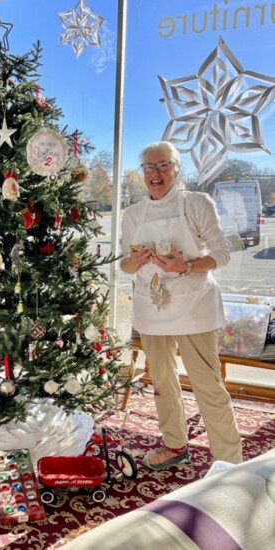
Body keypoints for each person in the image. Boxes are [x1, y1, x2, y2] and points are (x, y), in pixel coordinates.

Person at [120, 141, 242, 470]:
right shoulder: (132, 215)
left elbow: (223, 253)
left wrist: (184, 267)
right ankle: (174, 444)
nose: (155, 173)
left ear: (177, 168)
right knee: (161, 380)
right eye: (149, 167)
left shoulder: (197, 203)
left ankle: (229, 464)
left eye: (163, 166)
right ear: (141, 172)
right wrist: (132, 261)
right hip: (151, 308)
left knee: (207, 384)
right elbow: (124, 266)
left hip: (194, 306)